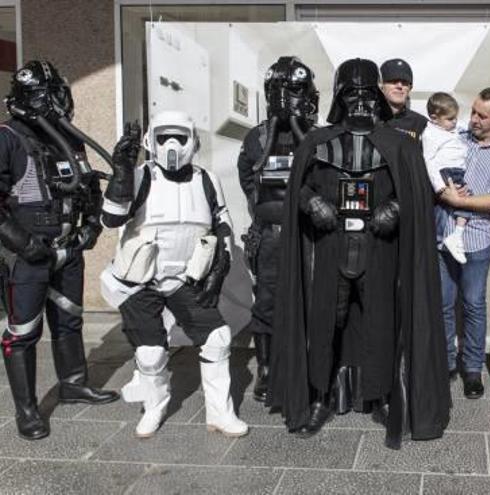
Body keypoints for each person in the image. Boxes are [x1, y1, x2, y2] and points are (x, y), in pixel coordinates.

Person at [268, 58, 450, 449]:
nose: (361, 101)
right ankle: (319, 397)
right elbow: (295, 188)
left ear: (380, 96)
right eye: (352, 93)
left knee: (381, 324)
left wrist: (396, 209)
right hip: (329, 245)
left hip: (380, 247)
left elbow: (417, 197)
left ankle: (381, 395)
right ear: (339, 97)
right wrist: (311, 203)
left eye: (368, 93)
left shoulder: (400, 144)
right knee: (323, 325)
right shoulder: (317, 143)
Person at [100, 111, 247, 439]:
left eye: (179, 137)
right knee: (150, 354)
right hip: (140, 279)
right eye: (164, 136)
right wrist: (122, 174)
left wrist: (220, 265)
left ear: (192, 141)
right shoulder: (140, 177)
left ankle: (220, 414)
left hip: (186, 277)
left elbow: (222, 221)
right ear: (151, 140)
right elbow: (110, 219)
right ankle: (155, 404)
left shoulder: (206, 178)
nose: (171, 144)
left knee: (218, 339)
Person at [0, 60, 119, 440]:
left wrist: (90, 229)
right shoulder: (8, 138)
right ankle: (28, 410)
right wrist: (22, 243)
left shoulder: (68, 139)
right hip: (29, 255)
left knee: (69, 320)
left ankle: (74, 384)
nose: (59, 103)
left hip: (69, 250)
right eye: (50, 95)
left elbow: (91, 189)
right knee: (23, 332)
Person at [237, 56, 319, 403]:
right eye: (280, 90)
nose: (287, 97)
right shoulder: (257, 137)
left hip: (309, 233)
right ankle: (267, 369)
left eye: (295, 90)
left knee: (312, 299)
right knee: (267, 301)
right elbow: (248, 178)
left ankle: (309, 364)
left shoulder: (317, 136)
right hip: (270, 232)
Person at [437, 87, 490, 399]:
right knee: (443, 303)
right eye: (472, 111)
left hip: (478, 240)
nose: (472, 119)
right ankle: (446, 363)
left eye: (481, 115)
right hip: (444, 235)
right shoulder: (456, 136)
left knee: (473, 304)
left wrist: (456, 200)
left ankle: (472, 369)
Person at [422, 92, 469, 263]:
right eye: (450, 119)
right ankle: (443, 241)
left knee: (463, 201)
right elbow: (428, 161)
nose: (454, 121)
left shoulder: (452, 128)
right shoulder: (430, 135)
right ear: (434, 118)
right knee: (451, 206)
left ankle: (454, 236)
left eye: (456, 118)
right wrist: (440, 186)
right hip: (446, 173)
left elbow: (463, 126)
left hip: (457, 171)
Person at [380, 58, 428, 140]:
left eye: (405, 83)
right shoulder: (370, 119)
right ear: (381, 86)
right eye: (393, 81)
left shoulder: (421, 123)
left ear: (410, 88)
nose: (399, 86)